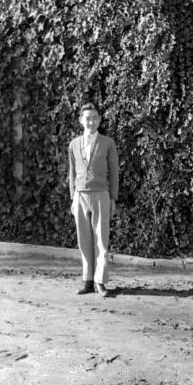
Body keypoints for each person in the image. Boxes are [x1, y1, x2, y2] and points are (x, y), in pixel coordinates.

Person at [68, 103, 119, 297]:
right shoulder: (73, 144)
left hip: (100, 195)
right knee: (84, 239)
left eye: (95, 118)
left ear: (99, 120)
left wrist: (113, 198)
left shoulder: (108, 143)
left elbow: (114, 172)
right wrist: (73, 196)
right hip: (80, 195)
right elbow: (71, 173)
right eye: (87, 118)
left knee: (101, 240)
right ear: (81, 120)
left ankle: (100, 281)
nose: (91, 121)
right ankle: (87, 279)